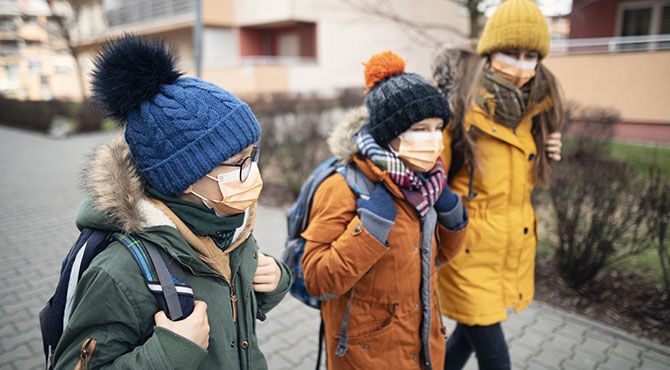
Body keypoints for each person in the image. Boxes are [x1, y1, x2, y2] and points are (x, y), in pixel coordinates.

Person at [53, 35, 290, 369]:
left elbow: (234, 305)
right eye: (238, 161)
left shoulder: (226, 223)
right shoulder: (119, 272)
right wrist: (168, 353)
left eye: (253, 157)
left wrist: (276, 282)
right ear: (182, 175)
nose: (251, 172)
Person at [301, 50, 468, 369]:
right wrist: (371, 228)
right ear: (389, 132)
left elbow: (439, 257)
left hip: (424, 346)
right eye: (420, 128)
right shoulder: (345, 186)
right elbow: (318, 279)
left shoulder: (427, 183)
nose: (433, 140)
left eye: (438, 128)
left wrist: (452, 215)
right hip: (366, 356)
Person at [431, 0, 564, 368]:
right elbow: (430, 179)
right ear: (490, 52)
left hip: (508, 252)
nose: (520, 65)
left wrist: (547, 149)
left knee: (464, 340)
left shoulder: (534, 111)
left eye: (530, 55)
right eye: (510, 52)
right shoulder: (458, 107)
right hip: (465, 253)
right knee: (496, 359)